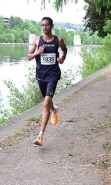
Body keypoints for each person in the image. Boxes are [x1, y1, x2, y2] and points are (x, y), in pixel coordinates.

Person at [27, 17, 68, 146]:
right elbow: (28, 57)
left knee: (45, 103)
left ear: (52, 26)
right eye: (42, 25)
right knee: (47, 99)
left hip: (53, 75)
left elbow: (64, 49)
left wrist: (62, 58)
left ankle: (40, 136)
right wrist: (37, 52)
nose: (44, 27)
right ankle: (54, 110)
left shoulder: (58, 40)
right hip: (41, 75)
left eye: (47, 25)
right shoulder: (36, 40)